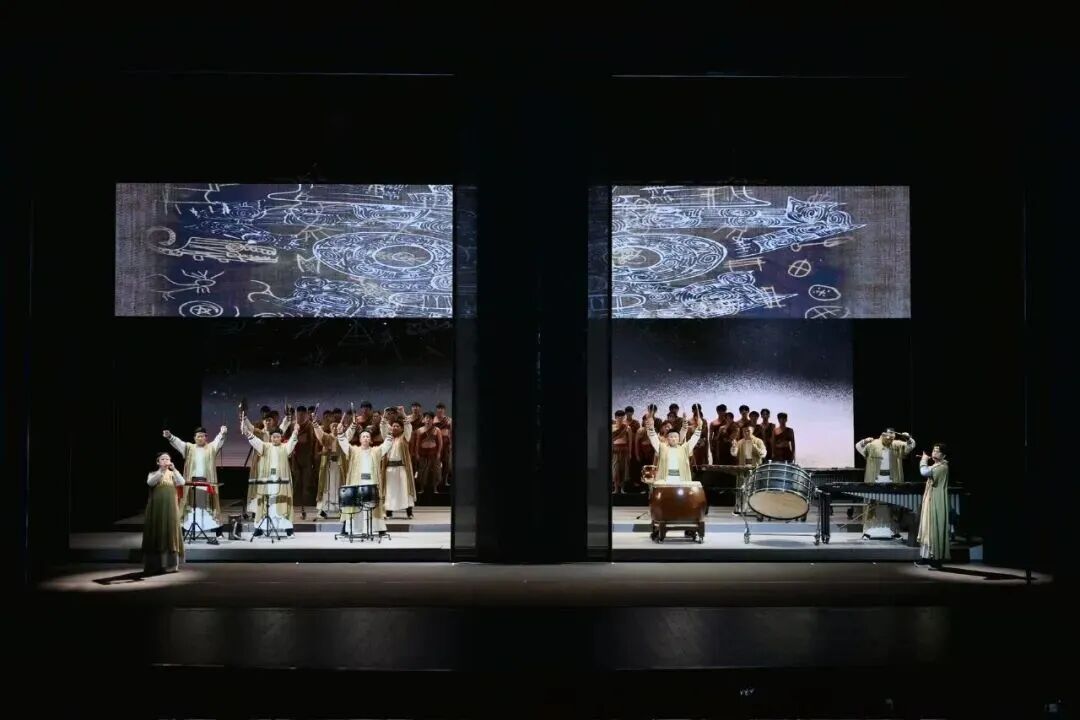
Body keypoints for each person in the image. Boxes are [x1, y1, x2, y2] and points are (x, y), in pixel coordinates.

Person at [164, 425, 227, 543]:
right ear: (194, 438)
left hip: (207, 482)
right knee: (190, 506)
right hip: (192, 483)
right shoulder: (189, 448)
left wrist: (222, 433)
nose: (200, 438)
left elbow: (218, 440)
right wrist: (170, 436)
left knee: (210, 506)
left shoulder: (211, 447)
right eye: (198, 436)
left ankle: (218, 532)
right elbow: (178, 443)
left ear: (206, 437)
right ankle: (184, 531)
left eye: (203, 436)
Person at [855, 428, 916, 539]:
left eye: (891, 438)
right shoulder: (873, 444)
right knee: (871, 505)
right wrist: (864, 441)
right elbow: (858, 446)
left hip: (892, 479)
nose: (889, 440)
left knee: (893, 506)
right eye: (887, 437)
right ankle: (868, 531)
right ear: (882, 435)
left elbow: (911, 445)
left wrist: (908, 438)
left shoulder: (897, 444)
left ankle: (894, 531)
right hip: (875, 479)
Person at [243, 424, 299, 537]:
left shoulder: (285, 448)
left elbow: (292, 443)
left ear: (281, 438)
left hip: (281, 482)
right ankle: (260, 529)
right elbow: (255, 441)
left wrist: (295, 432)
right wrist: (247, 433)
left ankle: (288, 529)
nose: (275, 439)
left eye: (278, 437)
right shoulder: (265, 446)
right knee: (265, 504)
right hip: (267, 483)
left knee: (282, 503)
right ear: (270, 437)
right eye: (273, 437)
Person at [337, 423, 389, 537]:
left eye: (367, 437)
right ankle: (352, 528)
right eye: (363, 436)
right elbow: (344, 444)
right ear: (360, 439)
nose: (365, 438)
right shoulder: (354, 450)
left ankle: (376, 528)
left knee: (371, 506)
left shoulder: (375, 451)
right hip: (357, 481)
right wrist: (340, 433)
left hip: (371, 482)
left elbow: (386, 445)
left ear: (370, 440)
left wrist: (389, 433)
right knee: (355, 505)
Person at [143, 452, 185, 574]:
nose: (166, 461)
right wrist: (161, 471)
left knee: (171, 533)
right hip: (157, 508)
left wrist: (175, 469)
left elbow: (182, 482)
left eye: (168, 459)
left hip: (171, 509)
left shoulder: (172, 474)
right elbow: (150, 483)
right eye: (163, 459)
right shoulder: (153, 474)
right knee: (157, 532)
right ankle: (154, 565)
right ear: (158, 462)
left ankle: (171, 565)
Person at [916, 443, 951, 568]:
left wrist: (923, 460)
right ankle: (926, 557)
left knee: (933, 528)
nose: (934, 453)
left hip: (936, 500)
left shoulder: (942, 467)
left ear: (943, 455)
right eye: (933, 450)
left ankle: (936, 559)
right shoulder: (936, 465)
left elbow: (924, 472)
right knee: (927, 527)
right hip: (930, 498)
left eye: (937, 451)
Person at [412, 412, 444, 495]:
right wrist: (417, 454)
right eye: (426, 418)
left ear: (432, 419)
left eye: (430, 418)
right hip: (423, 453)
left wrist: (438, 453)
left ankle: (435, 488)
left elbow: (440, 443)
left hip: (434, 453)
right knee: (422, 471)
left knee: (436, 471)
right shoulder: (419, 430)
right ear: (424, 419)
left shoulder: (437, 430)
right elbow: (417, 444)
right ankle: (422, 488)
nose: (428, 420)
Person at [611, 409, 632, 493]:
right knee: (615, 470)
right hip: (615, 450)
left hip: (624, 450)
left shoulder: (627, 428)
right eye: (619, 417)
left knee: (624, 469)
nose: (621, 419)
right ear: (615, 417)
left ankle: (622, 488)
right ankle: (616, 488)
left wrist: (630, 453)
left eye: (622, 417)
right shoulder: (612, 427)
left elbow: (630, 441)